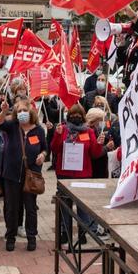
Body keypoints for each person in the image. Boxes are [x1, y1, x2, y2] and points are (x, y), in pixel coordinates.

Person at [52, 103, 106, 247]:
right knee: (65, 206)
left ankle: (83, 232)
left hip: (83, 175)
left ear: (83, 118)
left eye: (78, 116)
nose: (75, 118)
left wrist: (99, 144)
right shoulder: (62, 129)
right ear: (68, 117)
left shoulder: (89, 132)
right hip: (64, 174)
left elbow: (94, 153)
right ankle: (65, 232)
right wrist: (57, 136)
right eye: (72, 116)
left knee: (82, 207)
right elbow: (55, 149)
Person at [0, 99, 46, 252]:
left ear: (31, 112)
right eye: (19, 111)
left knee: (30, 207)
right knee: (12, 207)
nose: (22, 113)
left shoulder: (38, 130)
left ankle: (32, 237)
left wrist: (42, 155)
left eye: (25, 110)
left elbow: (44, 148)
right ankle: (10, 237)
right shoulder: (12, 126)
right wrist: (4, 111)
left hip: (31, 175)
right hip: (12, 175)